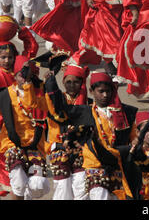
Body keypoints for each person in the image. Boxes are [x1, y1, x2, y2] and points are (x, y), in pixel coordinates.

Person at [44, 71, 141, 200]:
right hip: (94, 163)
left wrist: (135, 142)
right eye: (101, 91)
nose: (105, 95)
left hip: (117, 163)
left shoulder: (126, 113)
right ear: (91, 91)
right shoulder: (85, 112)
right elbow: (61, 109)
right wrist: (51, 83)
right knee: (99, 196)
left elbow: (133, 137)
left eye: (108, 91)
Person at [0, 56, 50, 200]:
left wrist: (49, 86)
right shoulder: (5, 95)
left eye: (27, 72)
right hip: (12, 142)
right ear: (15, 74)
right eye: (21, 72)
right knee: (19, 181)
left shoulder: (40, 91)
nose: (24, 76)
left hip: (36, 143)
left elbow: (32, 103)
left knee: (38, 184)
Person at [45, 63, 90, 200]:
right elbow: (53, 109)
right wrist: (48, 84)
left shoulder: (90, 103)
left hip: (82, 151)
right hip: (59, 148)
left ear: (82, 83)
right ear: (63, 82)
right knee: (63, 189)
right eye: (68, 82)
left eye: (76, 82)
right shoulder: (56, 100)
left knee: (81, 188)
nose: (72, 85)